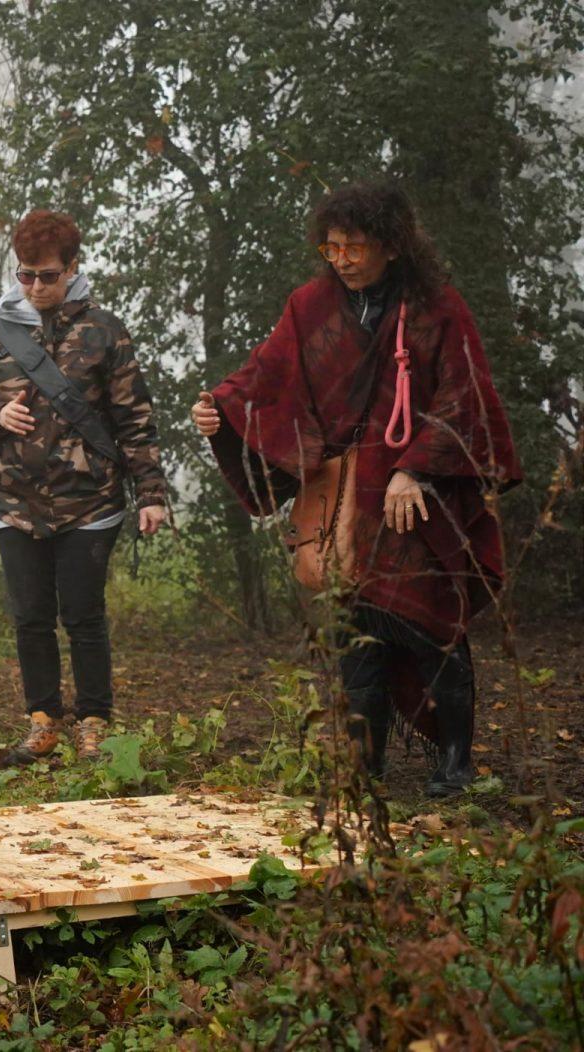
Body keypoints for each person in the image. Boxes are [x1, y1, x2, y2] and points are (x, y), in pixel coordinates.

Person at [190, 180, 520, 796]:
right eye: (331, 248)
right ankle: (363, 769)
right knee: (354, 636)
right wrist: (222, 407)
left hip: (418, 498)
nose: (340, 259)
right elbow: (269, 369)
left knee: (432, 626)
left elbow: (464, 395)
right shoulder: (311, 306)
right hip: (344, 500)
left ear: (392, 246)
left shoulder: (438, 309)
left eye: (354, 247)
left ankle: (455, 767)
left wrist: (415, 466)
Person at [0, 210, 169, 765]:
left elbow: (134, 419)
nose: (36, 286)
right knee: (30, 616)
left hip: (90, 502)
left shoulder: (104, 329)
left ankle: (94, 722)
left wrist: (150, 492)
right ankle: (43, 721)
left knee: (83, 615)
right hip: (13, 502)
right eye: (26, 275)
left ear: (73, 268)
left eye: (48, 275)